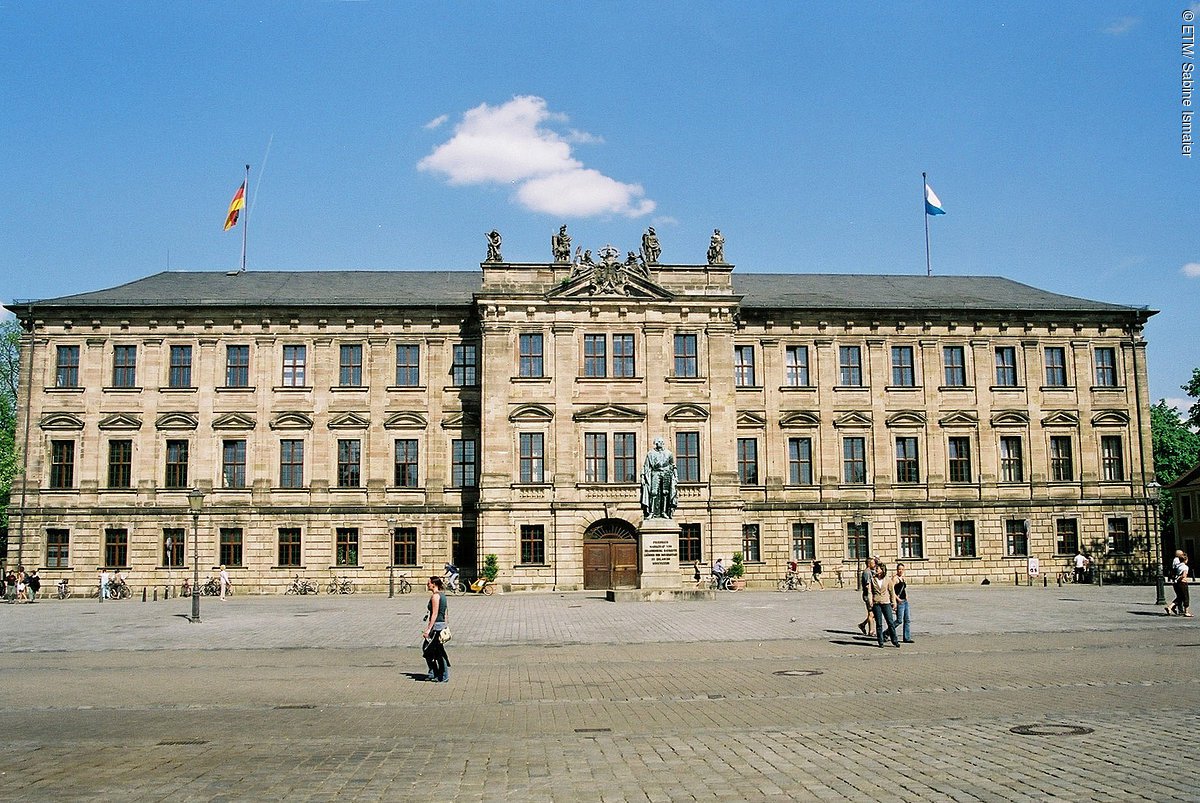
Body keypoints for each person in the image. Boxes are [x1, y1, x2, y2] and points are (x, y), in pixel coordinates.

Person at [639, 437, 678, 519]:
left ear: (663, 443)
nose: (659, 443)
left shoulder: (669, 453)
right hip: (655, 473)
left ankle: (664, 512)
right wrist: (643, 477)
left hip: (666, 473)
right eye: (657, 442)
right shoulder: (650, 453)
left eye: (660, 442)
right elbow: (646, 466)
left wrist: (675, 476)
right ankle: (652, 512)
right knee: (653, 492)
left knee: (665, 492)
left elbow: (673, 465)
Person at [421, 576, 451, 682]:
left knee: (432, 650)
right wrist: (446, 624)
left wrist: (428, 629)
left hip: (436, 627)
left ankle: (442, 675)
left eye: (429, 583)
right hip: (440, 625)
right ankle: (434, 673)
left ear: (434, 584)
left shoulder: (435, 596)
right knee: (434, 650)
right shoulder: (442, 595)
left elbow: (434, 614)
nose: (427, 584)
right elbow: (445, 612)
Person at [870, 562, 900, 648]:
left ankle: (894, 640)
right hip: (876, 603)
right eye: (876, 568)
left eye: (878, 568)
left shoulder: (887, 579)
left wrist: (894, 602)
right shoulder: (873, 579)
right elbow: (870, 591)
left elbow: (891, 592)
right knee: (879, 623)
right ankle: (880, 641)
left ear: (882, 570)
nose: (876, 569)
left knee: (890, 622)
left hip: (886, 602)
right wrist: (870, 601)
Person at [857, 557, 877, 637]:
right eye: (873, 563)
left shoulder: (871, 571)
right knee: (871, 613)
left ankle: (863, 624)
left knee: (874, 613)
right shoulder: (867, 573)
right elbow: (867, 585)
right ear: (869, 564)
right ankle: (871, 631)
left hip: (872, 595)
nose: (874, 564)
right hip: (868, 595)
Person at [894, 562, 913, 642]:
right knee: (899, 620)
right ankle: (886, 633)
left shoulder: (902, 578)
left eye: (902, 569)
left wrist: (906, 597)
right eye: (899, 569)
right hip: (900, 602)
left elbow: (903, 589)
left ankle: (907, 637)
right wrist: (897, 599)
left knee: (907, 619)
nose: (900, 571)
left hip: (905, 601)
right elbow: (891, 590)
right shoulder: (895, 579)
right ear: (897, 570)